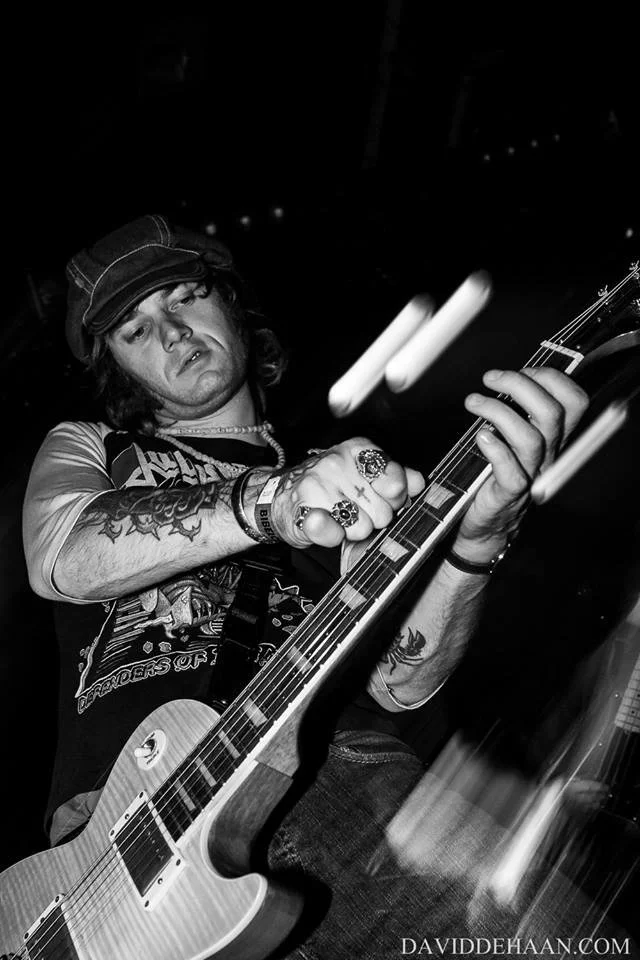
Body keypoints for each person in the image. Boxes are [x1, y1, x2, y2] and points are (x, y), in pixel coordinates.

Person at [20, 213, 609, 958]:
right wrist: (274, 501)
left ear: (231, 305)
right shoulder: (95, 446)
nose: (171, 333)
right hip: (114, 836)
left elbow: (399, 680)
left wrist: (476, 542)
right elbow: (62, 553)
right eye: (136, 331)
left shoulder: (355, 484)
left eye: (183, 296)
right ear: (119, 370)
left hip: (328, 778)